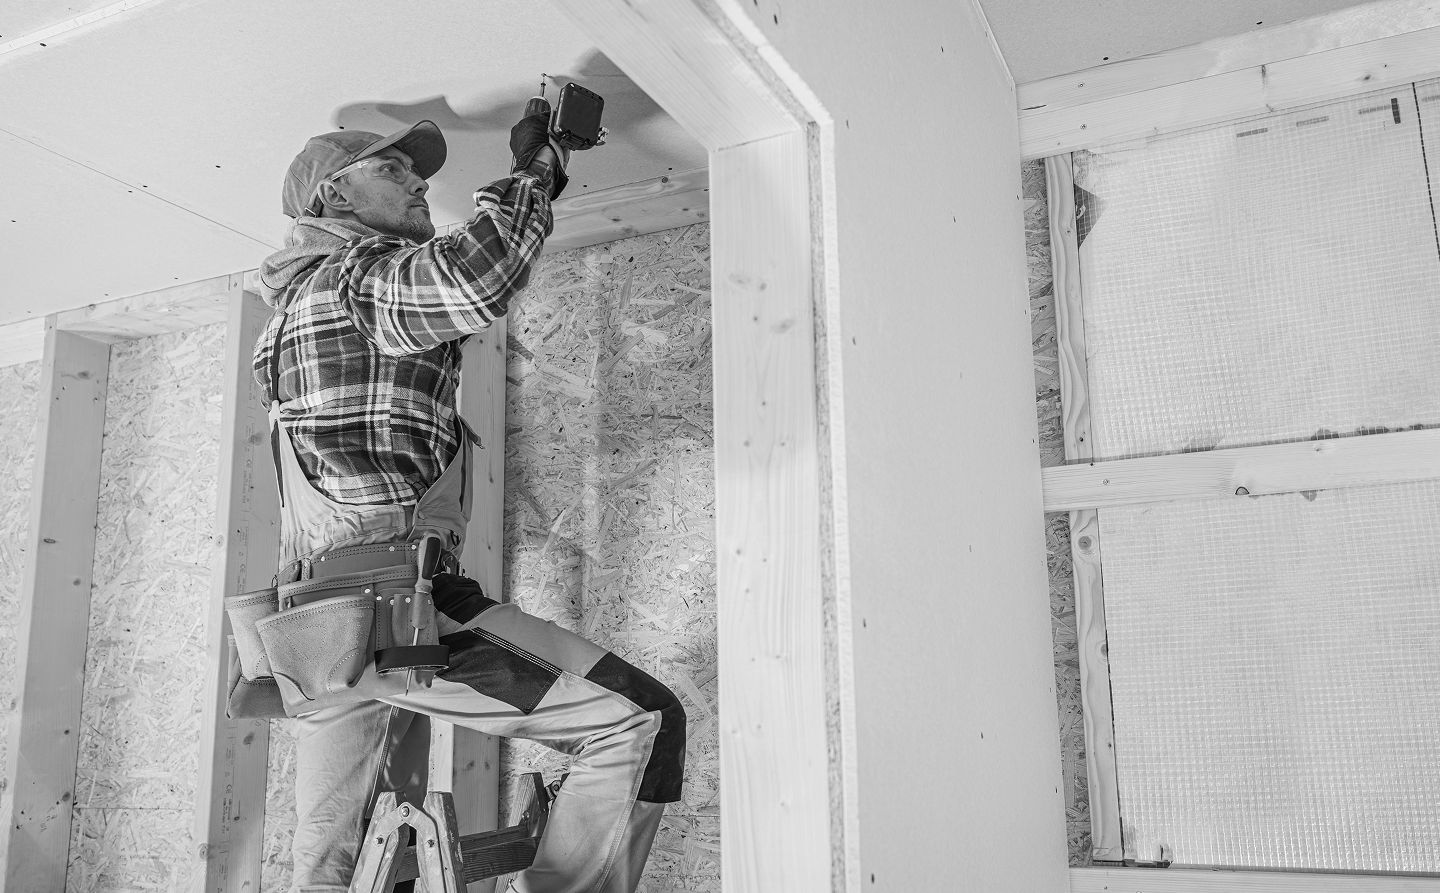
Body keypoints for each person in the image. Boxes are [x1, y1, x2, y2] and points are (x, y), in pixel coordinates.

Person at [241, 114, 685, 892]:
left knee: (335, 872)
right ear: (333, 196)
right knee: (637, 720)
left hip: (314, 633)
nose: (419, 182)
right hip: (391, 605)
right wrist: (537, 167)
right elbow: (478, 274)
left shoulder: (284, 323)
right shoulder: (354, 278)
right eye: (392, 171)